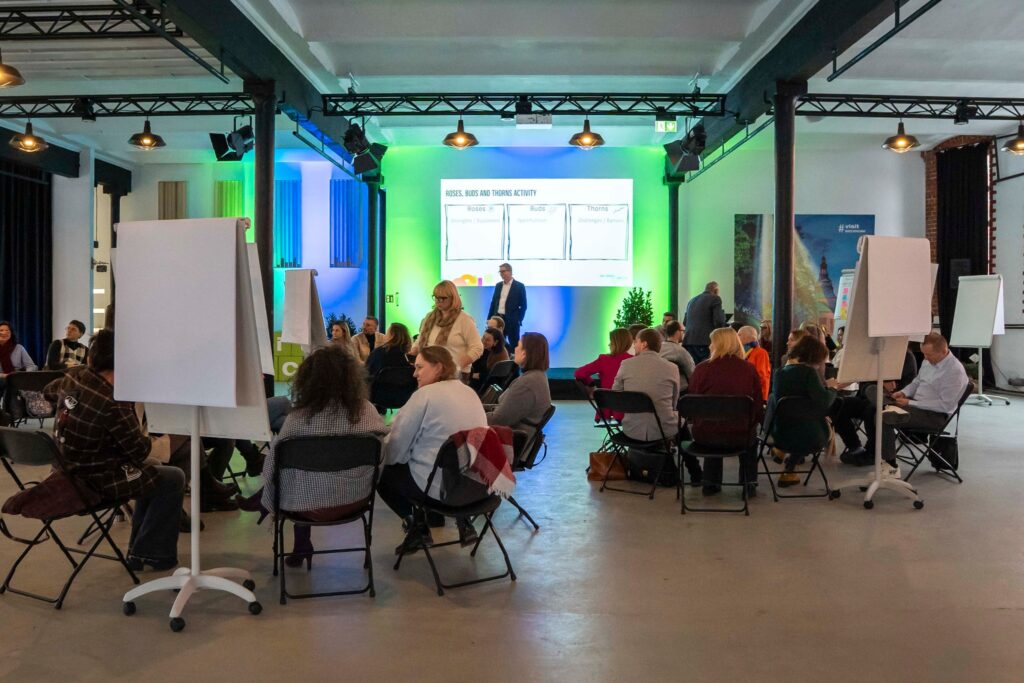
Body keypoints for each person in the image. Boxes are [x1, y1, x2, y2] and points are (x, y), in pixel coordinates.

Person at [45, 329, 184, 571]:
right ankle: (152, 553)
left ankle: (142, 549)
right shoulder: (114, 400)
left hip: (64, 470)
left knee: (153, 471)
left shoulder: (74, 376)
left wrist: (72, 409)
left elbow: (48, 391)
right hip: (95, 480)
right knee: (173, 477)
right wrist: (167, 439)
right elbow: (138, 451)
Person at [242, 345, 388, 567]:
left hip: (304, 507)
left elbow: (271, 467)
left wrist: (268, 496)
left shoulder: (298, 418)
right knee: (308, 477)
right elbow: (381, 457)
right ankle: (301, 543)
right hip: (355, 499)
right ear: (352, 378)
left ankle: (293, 536)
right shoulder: (367, 410)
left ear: (308, 378)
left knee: (297, 478)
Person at [378, 346, 488, 552]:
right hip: (478, 487)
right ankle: (462, 520)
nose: (414, 373)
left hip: (441, 491)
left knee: (384, 471)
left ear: (438, 367)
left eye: (420, 367)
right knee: (441, 459)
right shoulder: (470, 392)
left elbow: (395, 449)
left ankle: (417, 527)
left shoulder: (424, 396)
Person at [852, 333, 968, 477]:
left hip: (936, 416)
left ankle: (891, 466)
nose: (925, 358)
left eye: (929, 355)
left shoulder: (954, 372)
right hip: (916, 406)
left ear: (944, 351)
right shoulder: (928, 362)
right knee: (872, 398)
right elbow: (916, 382)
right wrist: (903, 392)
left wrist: (911, 402)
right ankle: (888, 404)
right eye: (924, 354)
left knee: (883, 417)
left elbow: (944, 406)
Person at [613, 328, 701, 485]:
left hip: (631, 429)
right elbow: (673, 402)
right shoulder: (671, 368)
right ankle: (696, 473)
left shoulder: (626, 364)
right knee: (680, 423)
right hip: (662, 429)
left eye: (636, 342)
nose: (634, 345)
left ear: (644, 344)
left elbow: (616, 395)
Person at [687, 327, 763, 495]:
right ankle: (748, 483)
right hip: (740, 435)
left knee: (711, 424)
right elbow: (757, 405)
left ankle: (710, 483)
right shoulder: (749, 369)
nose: (709, 346)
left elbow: (692, 402)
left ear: (719, 344)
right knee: (751, 437)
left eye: (712, 342)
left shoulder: (701, 369)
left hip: (705, 435)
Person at [768, 336, 837, 488]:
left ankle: (786, 464)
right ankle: (788, 470)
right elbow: (824, 401)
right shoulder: (809, 373)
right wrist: (833, 388)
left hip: (780, 434)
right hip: (812, 437)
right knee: (810, 425)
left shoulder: (780, 372)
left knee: (800, 422)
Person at [832, 345, 917, 466]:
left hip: (889, 401)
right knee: (837, 404)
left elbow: (905, 388)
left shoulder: (905, 357)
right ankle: (855, 447)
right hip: (866, 397)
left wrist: (886, 385)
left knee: (873, 409)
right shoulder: (874, 354)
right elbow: (862, 380)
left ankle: (872, 452)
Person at [486, 332, 552, 448]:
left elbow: (499, 419)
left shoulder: (527, 383)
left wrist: (473, 416)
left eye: (518, 346)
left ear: (525, 353)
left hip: (509, 443)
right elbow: (506, 410)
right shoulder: (537, 377)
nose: (515, 349)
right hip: (516, 439)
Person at [416, 280, 483, 378]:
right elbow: (420, 340)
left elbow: (478, 348)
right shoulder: (429, 317)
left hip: (456, 374)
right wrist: (413, 351)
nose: (439, 301)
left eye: (443, 298)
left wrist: (457, 366)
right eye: (436, 297)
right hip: (430, 371)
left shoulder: (465, 319)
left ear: (453, 298)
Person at [574, 328, 633, 422]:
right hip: (631, 409)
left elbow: (579, 373)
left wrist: (591, 384)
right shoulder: (633, 360)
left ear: (616, 343)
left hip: (608, 407)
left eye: (611, 342)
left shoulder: (604, 360)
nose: (609, 344)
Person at [682, 281, 726, 364]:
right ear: (716, 290)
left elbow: (685, 322)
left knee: (693, 368)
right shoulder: (715, 298)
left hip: (688, 342)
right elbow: (718, 321)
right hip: (705, 342)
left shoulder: (691, 301)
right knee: (707, 367)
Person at [487, 263, 527, 351]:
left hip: (512, 320)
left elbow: (523, 305)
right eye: (500, 272)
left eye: (503, 271)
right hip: (498, 319)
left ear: (510, 271)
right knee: (498, 344)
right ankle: (500, 359)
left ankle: (514, 359)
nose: (501, 274)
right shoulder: (498, 285)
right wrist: (489, 318)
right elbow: (493, 303)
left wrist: (519, 320)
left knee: (514, 343)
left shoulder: (519, 286)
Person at [0, 321, 37, 396]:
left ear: (11, 333)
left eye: (7, 330)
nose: (5, 332)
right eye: (1, 330)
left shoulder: (19, 348)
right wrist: (5, 376)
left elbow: (31, 366)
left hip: (17, 377)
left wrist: (25, 376)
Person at [659, 320, 695, 393]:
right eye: (683, 331)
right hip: (679, 391)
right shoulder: (681, 351)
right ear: (677, 332)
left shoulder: (658, 348)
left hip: (660, 387)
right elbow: (692, 373)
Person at [469, 327, 509, 392]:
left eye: (488, 340)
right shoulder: (484, 348)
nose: (483, 341)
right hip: (478, 379)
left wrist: (473, 375)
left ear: (495, 342)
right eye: (483, 337)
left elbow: (493, 377)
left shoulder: (500, 354)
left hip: (486, 385)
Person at [737, 325, 771, 402]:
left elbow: (762, 377)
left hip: (755, 396)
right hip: (742, 393)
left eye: (739, 335)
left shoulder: (761, 353)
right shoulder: (739, 353)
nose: (737, 337)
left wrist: (763, 399)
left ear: (750, 338)